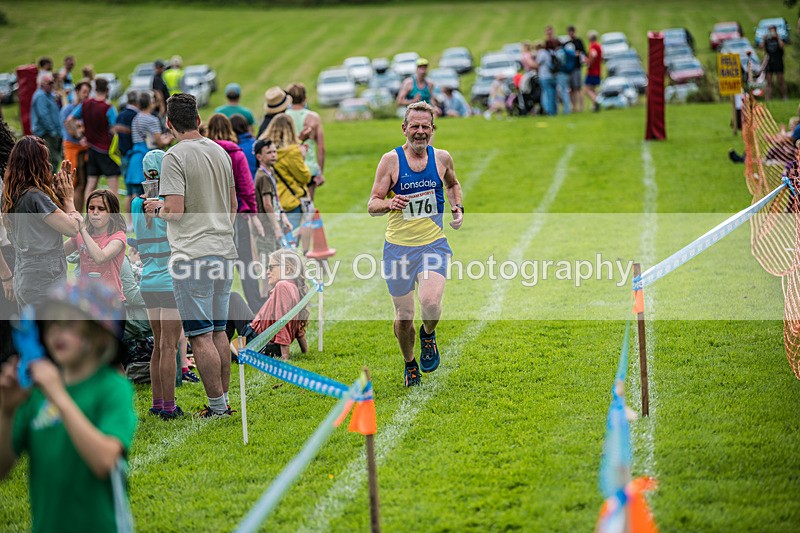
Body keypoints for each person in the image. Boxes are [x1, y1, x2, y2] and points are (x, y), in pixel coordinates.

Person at [0, 280, 137, 533]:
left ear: (99, 334)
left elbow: (105, 461)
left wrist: (59, 396)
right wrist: (6, 412)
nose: (56, 332)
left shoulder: (113, 389)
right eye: (51, 323)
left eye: (69, 323)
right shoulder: (37, 393)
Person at [144, 93, 238, 418]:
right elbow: (234, 206)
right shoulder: (221, 152)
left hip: (192, 255)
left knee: (200, 334)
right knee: (219, 331)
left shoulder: (174, 157)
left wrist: (156, 207)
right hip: (224, 250)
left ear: (169, 124)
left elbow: (175, 209)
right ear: (198, 119)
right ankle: (223, 399)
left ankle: (217, 407)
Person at [367, 101, 463, 387]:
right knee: (404, 317)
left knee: (431, 303)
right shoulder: (391, 161)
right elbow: (372, 204)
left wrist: (458, 207)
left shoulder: (442, 158)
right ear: (404, 128)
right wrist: (389, 203)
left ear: (432, 129)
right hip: (397, 249)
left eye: (425, 127)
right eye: (415, 126)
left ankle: (429, 334)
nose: (420, 132)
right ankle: (410, 363)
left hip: (433, 244)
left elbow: (453, 184)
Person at [132, 150, 189, 419]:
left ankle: (157, 403)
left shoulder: (134, 204)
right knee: (169, 346)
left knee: (157, 344)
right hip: (169, 281)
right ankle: (169, 406)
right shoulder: (167, 206)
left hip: (147, 282)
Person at [2, 138, 81, 308]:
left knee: (32, 333)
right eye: (45, 161)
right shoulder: (35, 196)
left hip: (24, 276)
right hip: (43, 281)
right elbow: (72, 228)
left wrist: (55, 194)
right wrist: (68, 199)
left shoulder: (9, 195)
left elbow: (42, 226)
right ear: (36, 165)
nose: (49, 165)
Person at [206, 114, 262, 311]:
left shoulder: (205, 153)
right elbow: (247, 186)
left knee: (217, 264)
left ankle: (216, 307)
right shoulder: (236, 153)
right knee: (245, 264)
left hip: (211, 216)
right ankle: (255, 306)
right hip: (237, 214)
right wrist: (253, 213)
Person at [226, 249, 309, 360]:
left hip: (257, 343)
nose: (267, 272)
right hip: (258, 335)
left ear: (288, 269)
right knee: (233, 298)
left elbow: (282, 323)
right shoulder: (294, 287)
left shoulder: (282, 286)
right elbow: (297, 325)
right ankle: (221, 341)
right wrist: (305, 351)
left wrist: (284, 357)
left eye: (271, 268)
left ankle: (219, 342)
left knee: (219, 353)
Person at [64, 190, 127, 303]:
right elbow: (59, 253)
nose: (95, 212)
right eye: (91, 208)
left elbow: (100, 258)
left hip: (111, 302)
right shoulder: (80, 235)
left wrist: (83, 230)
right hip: (86, 300)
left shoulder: (118, 237)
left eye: (101, 209)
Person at [67, 77, 120, 198]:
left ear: (95, 89)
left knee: (91, 185)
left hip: (91, 148)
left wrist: (80, 136)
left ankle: (88, 213)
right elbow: (114, 129)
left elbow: (70, 119)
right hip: (107, 150)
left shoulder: (85, 105)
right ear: (107, 90)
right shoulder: (108, 108)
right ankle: (115, 214)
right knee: (113, 186)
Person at [259, 114, 312, 235]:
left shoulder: (264, 151)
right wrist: (302, 156)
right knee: (290, 242)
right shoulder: (292, 151)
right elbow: (304, 177)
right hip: (290, 201)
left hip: (271, 201)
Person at [126, 91, 173, 217]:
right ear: (150, 103)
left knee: (133, 194)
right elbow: (158, 141)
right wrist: (168, 139)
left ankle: (131, 222)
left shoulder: (136, 118)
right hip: (148, 157)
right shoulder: (152, 119)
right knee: (151, 194)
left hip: (135, 156)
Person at [253, 139, 290, 282]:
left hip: (274, 224)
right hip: (266, 229)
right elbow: (267, 204)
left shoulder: (271, 171)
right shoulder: (262, 176)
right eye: (269, 152)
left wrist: (283, 217)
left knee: (279, 265)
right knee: (269, 269)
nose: (273, 155)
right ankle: (265, 300)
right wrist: (276, 227)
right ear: (259, 157)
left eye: (274, 151)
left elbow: (275, 200)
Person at [286, 83, 326, 200]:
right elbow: (321, 147)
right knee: (309, 207)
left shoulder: (284, 117)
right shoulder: (314, 117)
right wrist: (320, 172)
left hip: (290, 166)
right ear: (305, 97)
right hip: (310, 167)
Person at [61, 80, 91, 213]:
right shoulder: (68, 110)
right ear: (77, 92)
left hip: (85, 151)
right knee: (75, 184)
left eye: (88, 93)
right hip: (73, 149)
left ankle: (80, 214)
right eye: (84, 92)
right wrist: (80, 133)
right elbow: (69, 129)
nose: (86, 95)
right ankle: (74, 213)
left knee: (84, 185)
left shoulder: (87, 107)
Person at [30, 73, 63, 172]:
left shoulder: (48, 94)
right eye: (49, 83)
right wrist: (53, 131)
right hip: (47, 134)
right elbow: (43, 116)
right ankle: (49, 184)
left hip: (52, 132)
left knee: (54, 160)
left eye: (52, 82)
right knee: (51, 160)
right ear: (42, 84)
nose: (52, 85)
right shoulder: (41, 96)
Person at [761, 25, 787, 101]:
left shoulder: (778, 39)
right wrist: (764, 39)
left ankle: (784, 97)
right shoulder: (767, 40)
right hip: (769, 62)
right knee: (768, 82)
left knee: (781, 81)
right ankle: (768, 98)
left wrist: (777, 37)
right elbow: (760, 46)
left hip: (778, 61)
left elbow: (782, 46)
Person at [566, 25, 586, 112]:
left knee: (578, 88)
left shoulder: (578, 42)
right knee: (571, 89)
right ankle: (573, 107)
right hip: (569, 69)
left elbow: (584, 53)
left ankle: (581, 107)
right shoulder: (567, 43)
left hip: (577, 68)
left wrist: (578, 54)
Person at [536, 40, 557, 116]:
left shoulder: (543, 53)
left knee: (546, 94)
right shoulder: (553, 52)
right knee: (553, 94)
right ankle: (554, 110)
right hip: (553, 75)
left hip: (544, 76)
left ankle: (548, 111)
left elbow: (537, 63)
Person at [584, 30, 603, 113]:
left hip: (592, 71)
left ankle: (596, 101)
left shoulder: (593, 46)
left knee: (587, 89)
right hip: (598, 71)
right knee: (593, 89)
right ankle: (595, 106)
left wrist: (589, 62)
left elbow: (593, 54)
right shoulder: (599, 46)